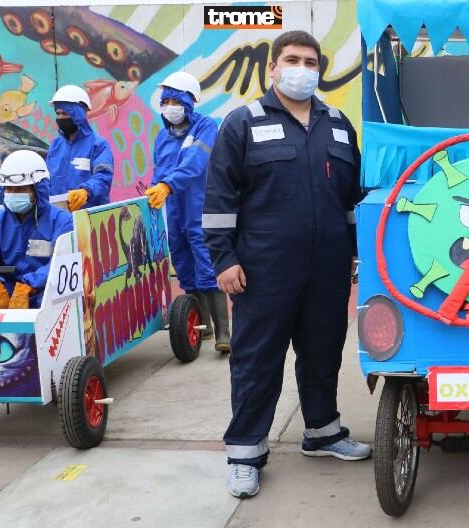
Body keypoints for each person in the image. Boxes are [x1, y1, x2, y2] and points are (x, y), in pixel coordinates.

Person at [203, 30, 370, 499]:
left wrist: (362, 253)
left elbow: (353, 199)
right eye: (292, 60)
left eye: (311, 61)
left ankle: (322, 431)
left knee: (322, 352)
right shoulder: (243, 123)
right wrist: (224, 258)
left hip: (329, 267)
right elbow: (219, 198)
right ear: (273, 68)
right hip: (263, 269)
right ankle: (245, 451)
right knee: (257, 360)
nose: (302, 69)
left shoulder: (338, 124)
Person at [145, 71, 230, 353]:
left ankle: (223, 333)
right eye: (165, 100)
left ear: (190, 101)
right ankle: (199, 325)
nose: (169, 106)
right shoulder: (162, 137)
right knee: (183, 262)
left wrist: (168, 185)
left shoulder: (207, 127)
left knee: (205, 261)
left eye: (175, 99)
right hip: (173, 210)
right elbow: (159, 170)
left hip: (199, 205)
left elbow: (196, 162)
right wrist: (157, 189)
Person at [0, 150, 73, 309]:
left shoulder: (62, 222)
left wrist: (29, 285)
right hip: (7, 290)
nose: (12, 194)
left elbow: (60, 263)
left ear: (39, 189)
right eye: (8, 189)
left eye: (20, 189)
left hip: (46, 292)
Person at [46, 85, 113, 211]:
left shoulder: (99, 145)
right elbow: (46, 181)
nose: (60, 118)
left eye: (65, 113)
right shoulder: (55, 145)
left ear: (79, 113)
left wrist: (86, 191)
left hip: (90, 217)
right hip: (60, 219)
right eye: (58, 113)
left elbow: (103, 178)